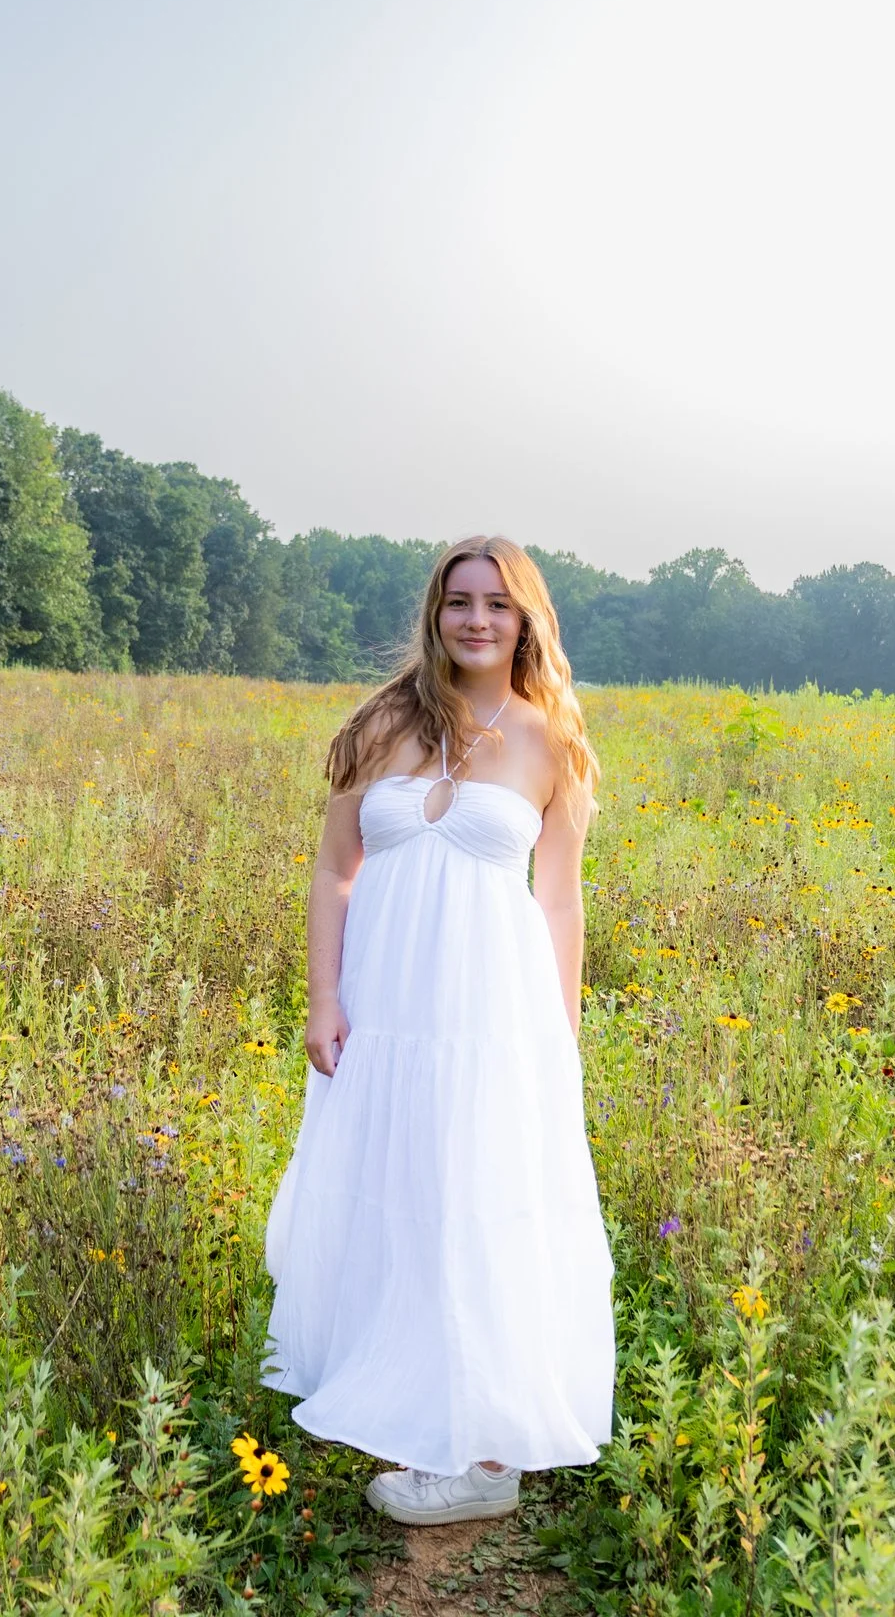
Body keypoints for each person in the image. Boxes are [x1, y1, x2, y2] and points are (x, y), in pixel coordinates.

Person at [261, 535, 615, 1526]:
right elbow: (335, 872)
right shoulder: (380, 726)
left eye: (496, 605)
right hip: (387, 1010)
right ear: (434, 613)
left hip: (492, 1016)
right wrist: (323, 1000)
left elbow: (557, 903)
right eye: (458, 602)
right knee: (398, 1193)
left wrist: (560, 1034)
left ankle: (488, 1461)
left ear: (525, 620)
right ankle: (414, 1399)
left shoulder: (551, 739)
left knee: (482, 1197)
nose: (474, 620)